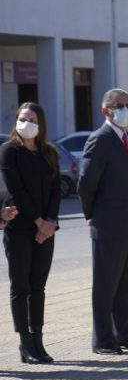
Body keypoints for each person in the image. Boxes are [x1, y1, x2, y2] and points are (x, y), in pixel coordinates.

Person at [78, 89, 128, 355]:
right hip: (108, 224)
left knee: (126, 283)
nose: (125, 109)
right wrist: (91, 215)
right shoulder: (100, 140)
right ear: (105, 110)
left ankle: (123, 333)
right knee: (106, 285)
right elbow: (86, 184)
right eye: (119, 105)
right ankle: (103, 339)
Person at [0, 103, 61, 364]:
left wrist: (50, 222)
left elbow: (56, 190)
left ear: (41, 123)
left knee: (39, 286)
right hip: (21, 228)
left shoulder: (48, 152)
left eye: (32, 119)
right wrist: (38, 221)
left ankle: (38, 339)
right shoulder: (8, 152)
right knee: (21, 286)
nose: (26, 123)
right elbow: (16, 190)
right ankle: (25, 342)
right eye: (22, 118)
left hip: (45, 230)